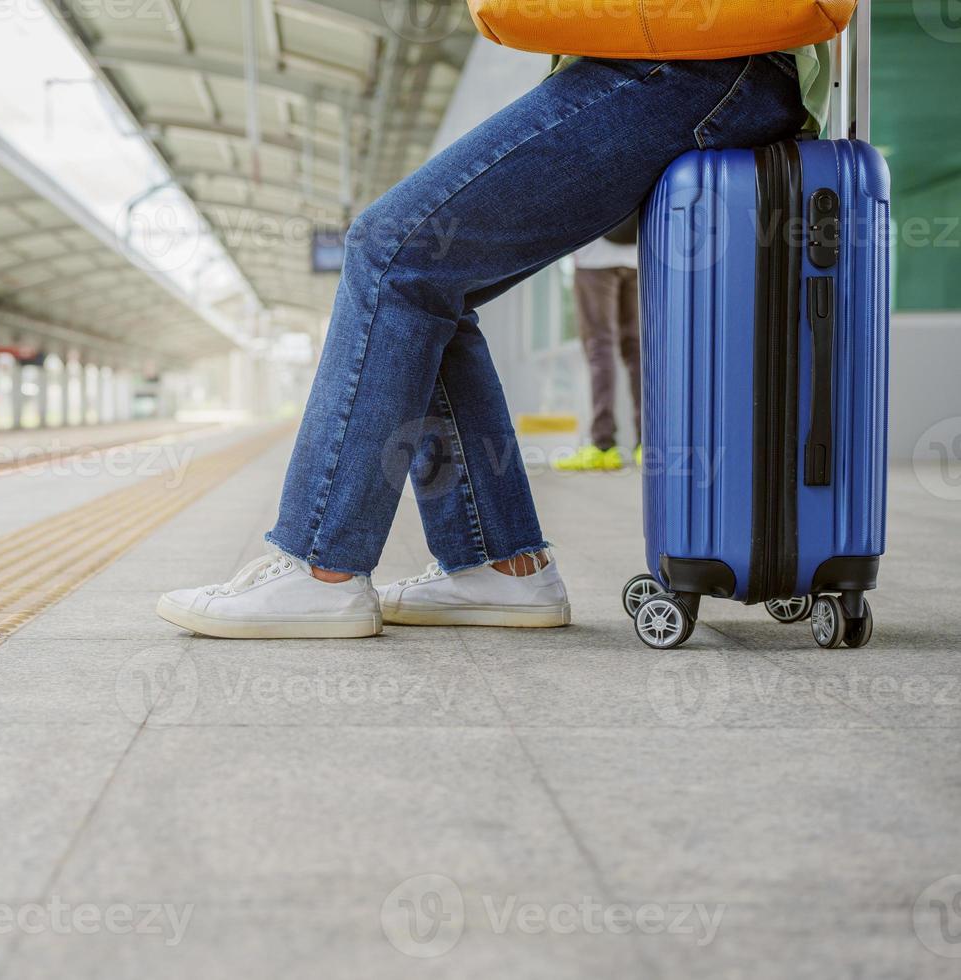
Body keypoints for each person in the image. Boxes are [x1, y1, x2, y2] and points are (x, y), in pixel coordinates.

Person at [159, 46, 830, 639]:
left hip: (688, 62)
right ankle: (498, 563)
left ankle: (320, 567)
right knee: (426, 281)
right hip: (698, 64)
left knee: (390, 250)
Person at [553, 235, 642, 472]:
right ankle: (647, 443)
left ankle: (603, 446)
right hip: (637, 257)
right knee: (636, 349)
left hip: (594, 258)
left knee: (600, 347)